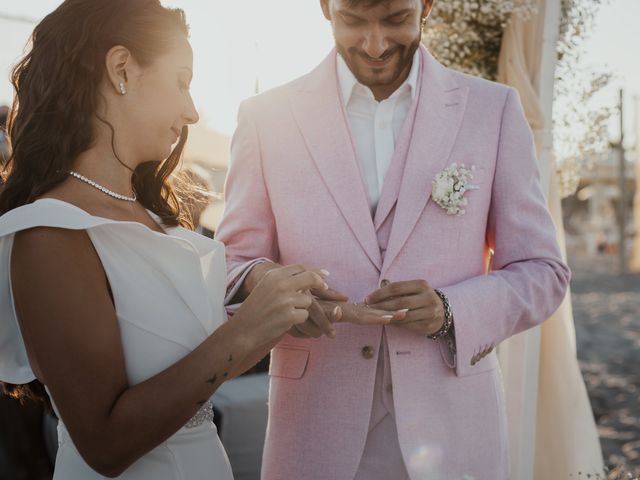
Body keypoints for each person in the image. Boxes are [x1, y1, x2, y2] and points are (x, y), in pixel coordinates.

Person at [215, 0, 571, 478]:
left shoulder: (492, 110)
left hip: (455, 434)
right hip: (314, 434)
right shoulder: (265, 117)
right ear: (325, 7)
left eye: (397, 20)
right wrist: (276, 289)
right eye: (354, 21)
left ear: (426, 6)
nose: (375, 44)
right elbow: (233, 263)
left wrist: (452, 311)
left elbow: (542, 271)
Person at [0, 1, 342, 478]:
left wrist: (278, 310)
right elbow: (104, 443)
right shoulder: (51, 232)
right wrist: (245, 331)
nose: (193, 110)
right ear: (121, 69)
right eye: (182, 80)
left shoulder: (152, 218)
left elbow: (174, 355)